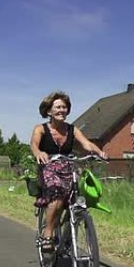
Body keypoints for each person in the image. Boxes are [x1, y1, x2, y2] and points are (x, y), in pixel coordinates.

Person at [30, 91, 107, 255]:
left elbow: (86, 144)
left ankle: (68, 232)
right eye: (57, 107)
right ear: (49, 111)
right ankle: (48, 234)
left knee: (75, 200)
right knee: (57, 196)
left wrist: (99, 152)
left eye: (64, 107)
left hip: (68, 168)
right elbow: (34, 145)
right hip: (48, 168)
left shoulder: (72, 129)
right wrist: (38, 153)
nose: (61, 110)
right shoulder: (41, 129)